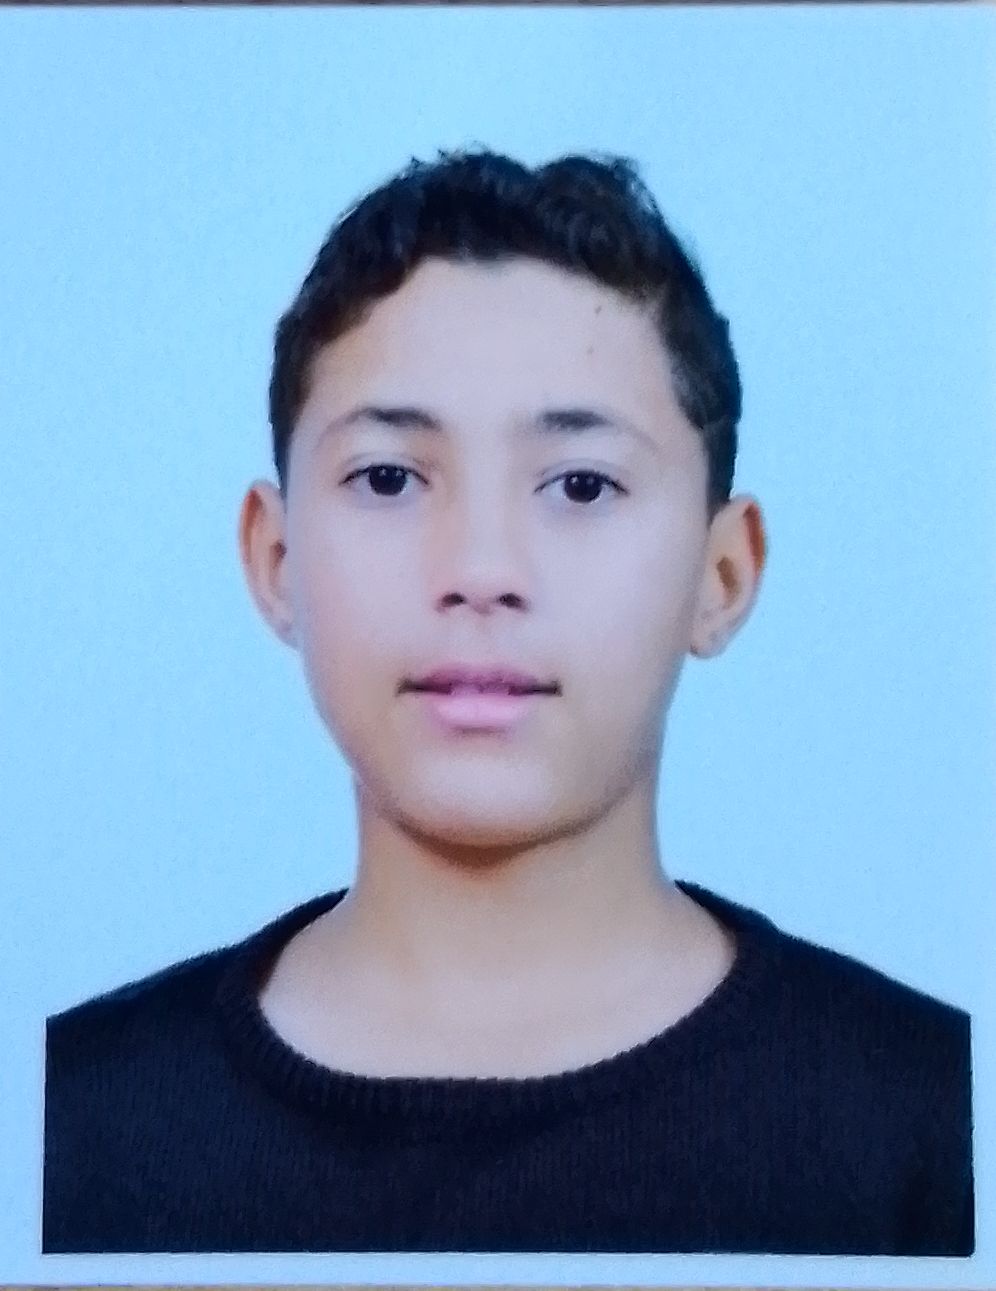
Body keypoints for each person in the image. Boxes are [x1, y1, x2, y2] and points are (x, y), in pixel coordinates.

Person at [43, 146, 974, 1256]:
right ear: (276, 559)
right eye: (389, 477)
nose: (482, 569)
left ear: (722, 574)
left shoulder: (937, 1128)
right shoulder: (66, 1132)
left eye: (581, 484)